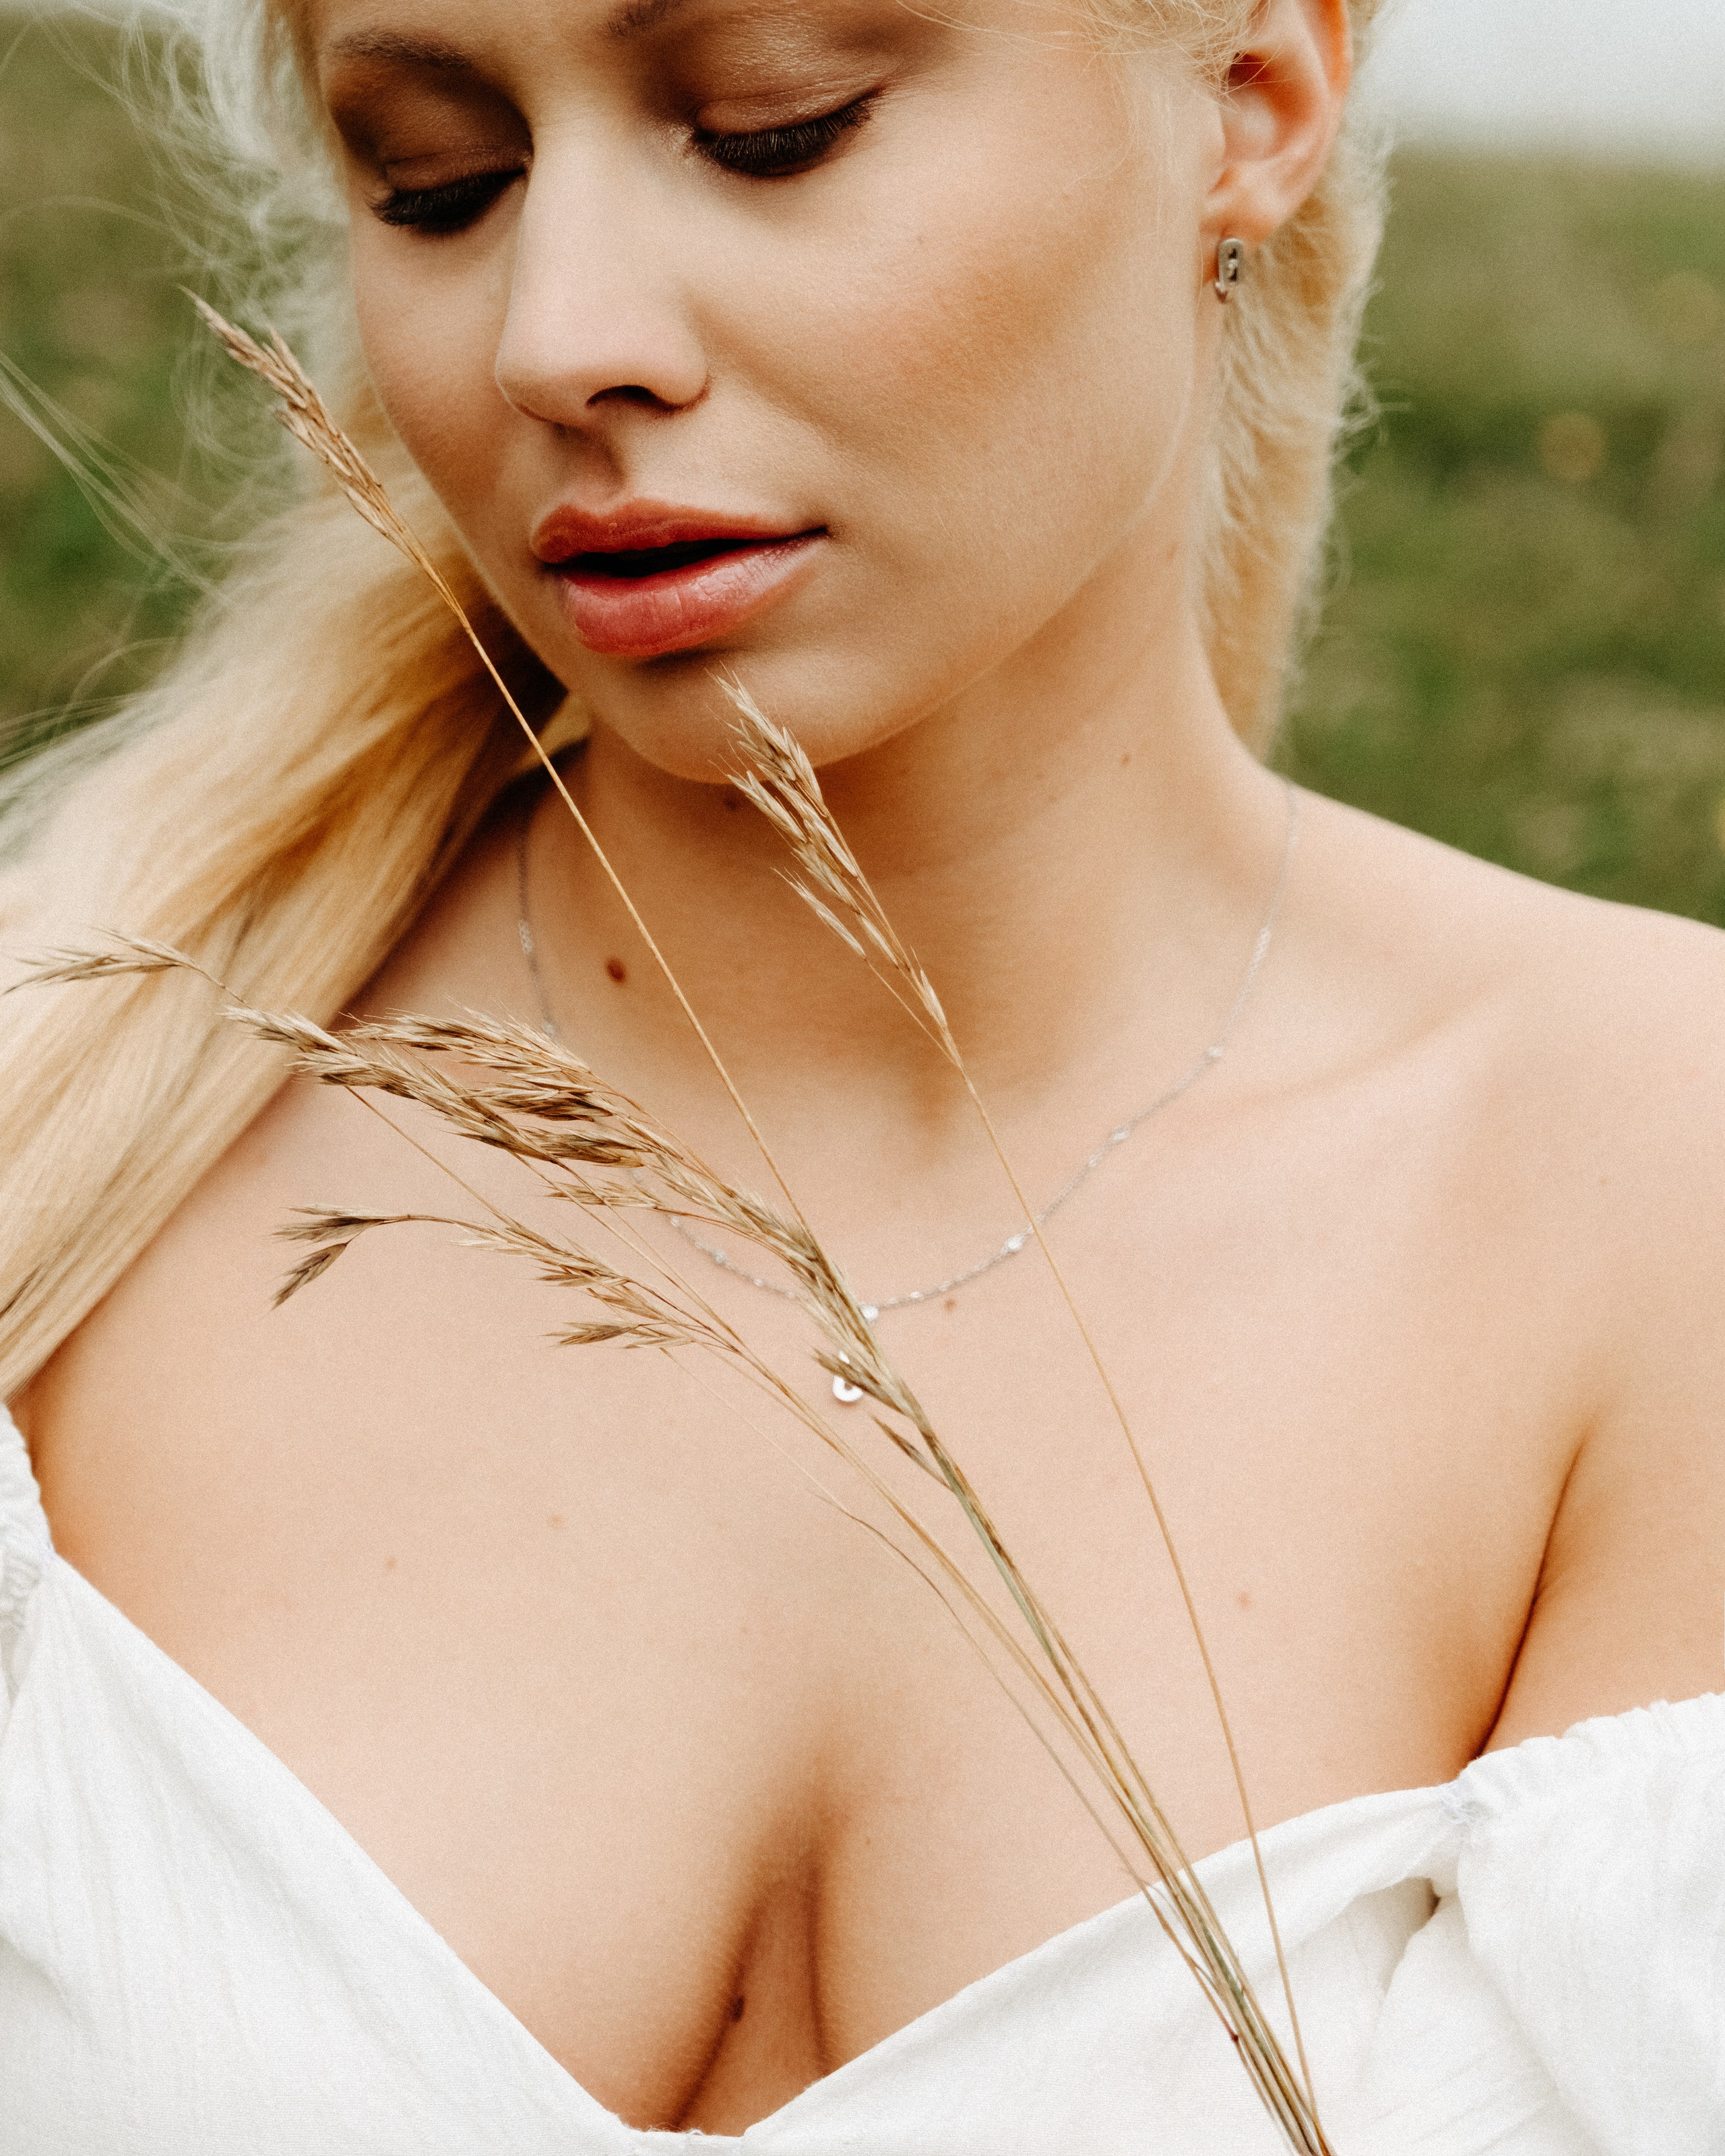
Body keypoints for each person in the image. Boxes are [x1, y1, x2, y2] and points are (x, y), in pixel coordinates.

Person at [1, 0, 1722, 2146]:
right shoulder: (66, 1161)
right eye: (440, 180)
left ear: (1255, 97)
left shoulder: (1663, 1199)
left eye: (772, 128)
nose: (561, 337)